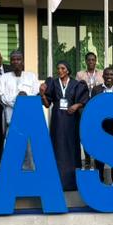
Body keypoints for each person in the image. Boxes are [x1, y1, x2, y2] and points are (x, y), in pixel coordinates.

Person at [41, 61, 88, 191]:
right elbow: (47, 104)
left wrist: (76, 105)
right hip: (57, 120)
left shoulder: (76, 84)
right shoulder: (53, 83)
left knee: (71, 146)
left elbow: (84, 100)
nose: (60, 71)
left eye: (62, 68)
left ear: (68, 70)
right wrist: (43, 95)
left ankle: (72, 183)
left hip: (71, 120)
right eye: (58, 68)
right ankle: (57, 182)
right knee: (58, 146)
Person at [0, 50, 40, 168]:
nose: (16, 62)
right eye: (13, 59)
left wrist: (25, 98)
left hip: (28, 121)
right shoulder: (4, 77)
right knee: (12, 152)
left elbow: (36, 93)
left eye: (18, 59)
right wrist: (16, 100)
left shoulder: (31, 76)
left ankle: (28, 176)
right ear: (10, 62)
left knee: (29, 152)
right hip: (11, 121)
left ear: (22, 61)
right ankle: (12, 175)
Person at [90, 67, 113, 184]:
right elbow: (92, 108)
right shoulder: (96, 90)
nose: (109, 77)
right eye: (107, 74)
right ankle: (100, 180)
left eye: (111, 74)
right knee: (100, 152)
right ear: (103, 76)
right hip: (101, 127)